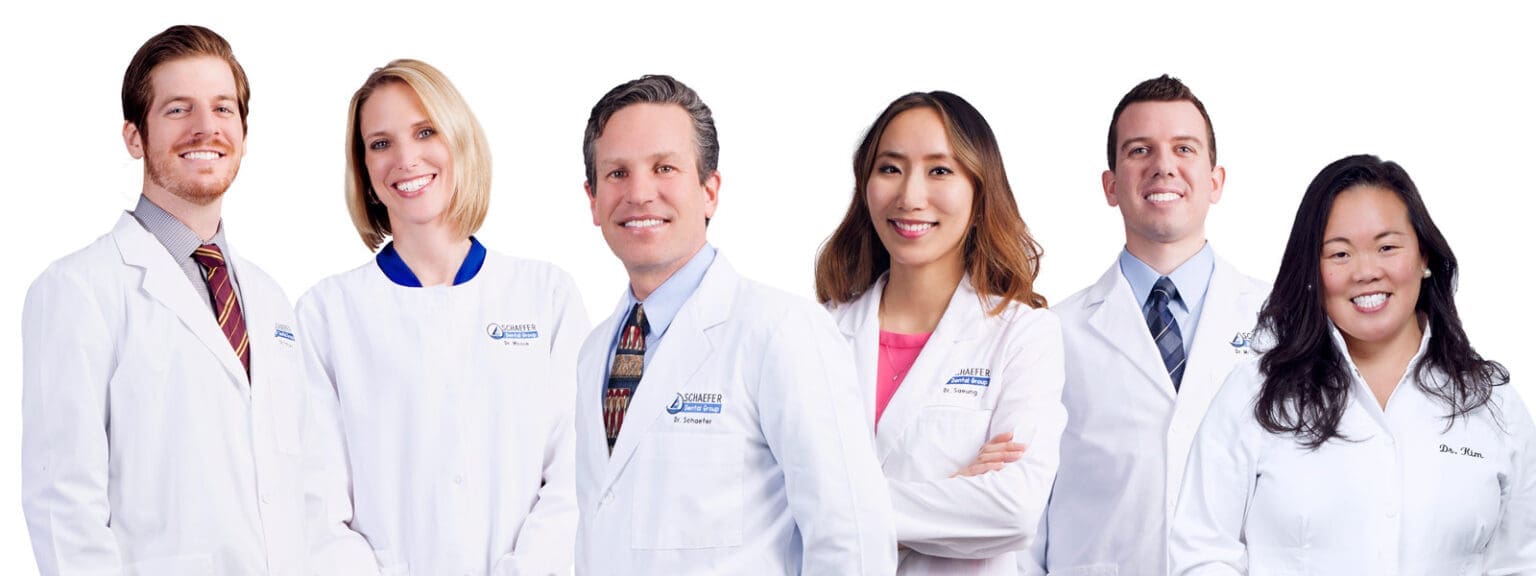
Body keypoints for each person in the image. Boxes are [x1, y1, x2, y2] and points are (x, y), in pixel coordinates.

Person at [573, 74, 897, 575]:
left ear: (709, 191)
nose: (639, 193)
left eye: (664, 168)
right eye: (617, 173)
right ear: (592, 200)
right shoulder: (596, 352)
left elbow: (852, 535)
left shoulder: (782, 331)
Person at [21, 25, 308, 575]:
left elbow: (290, 484)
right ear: (134, 137)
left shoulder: (270, 299)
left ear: (243, 132)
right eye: (178, 109)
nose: (207, 127)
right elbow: (63, 507)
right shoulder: (78, 290)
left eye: (223, 109)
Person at [1169, 154, 1535, 574]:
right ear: (1313, 270)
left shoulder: (1491, 403)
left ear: (1424, 256)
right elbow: (1202, 553)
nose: (1365, 271)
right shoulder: (1253, 395)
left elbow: (1522, 561)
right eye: (1340, 254)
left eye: (1387, 247)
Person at [297, 59, 587, 576]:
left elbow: (574, 480)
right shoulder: (326, 314)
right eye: (380, 143)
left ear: (459, 140)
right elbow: (317, 508)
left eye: (425, 131)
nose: (405, 159)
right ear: (363, 169)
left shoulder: (545, 295)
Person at [1029, 75, 1270, 576]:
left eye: (1184, 148)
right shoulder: (1052, 334)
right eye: (1140, 150)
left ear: (1216, 181)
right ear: (1111, 186)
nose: (1164, 166)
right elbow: (1025, 522)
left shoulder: (1282, 323)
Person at [815, 91, 1064, 574]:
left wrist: (843, 511)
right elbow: (778, 509)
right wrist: (954, 491)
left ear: (979, 186)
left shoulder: (1023, 335)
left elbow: (1012, 511)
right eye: (890, 168)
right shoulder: (817, 332)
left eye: (940, 170)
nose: (910, 196)